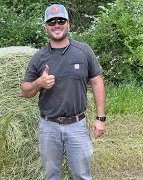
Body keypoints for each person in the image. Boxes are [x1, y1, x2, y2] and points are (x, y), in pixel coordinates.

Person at [20, 3, 106, 180]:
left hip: (77, 125)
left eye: (61, 20)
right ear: (46, 27)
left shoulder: (83, 51)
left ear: (68, 24)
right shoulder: (39, 57)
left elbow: (97, 82)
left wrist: (100, 118)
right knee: (52, 175)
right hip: (48, 126)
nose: (56, 25)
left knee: (82, 175)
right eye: (51, 22)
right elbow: (25, 91)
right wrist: (39, 82)